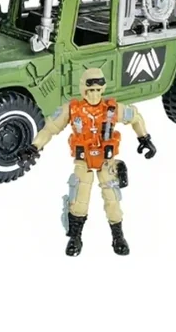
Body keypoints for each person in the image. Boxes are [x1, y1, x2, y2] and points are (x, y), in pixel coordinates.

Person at [18, 68, 156, 256]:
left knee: (113, 199)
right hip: (83, 160)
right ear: (83, 89)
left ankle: (118, 237)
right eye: (90, 90)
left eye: (98, 90)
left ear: (103, 89)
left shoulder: (112, 109)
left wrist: (144, 138)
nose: (94, 95)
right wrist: (34, 148)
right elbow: (49, 129)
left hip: (106, 160)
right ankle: (75, 237)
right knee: (79, 200)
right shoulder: (72, 109)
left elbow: (136, 118)